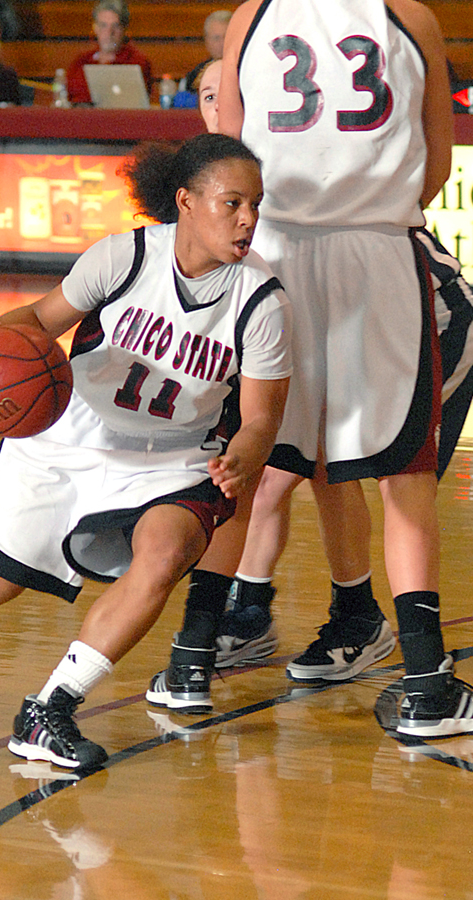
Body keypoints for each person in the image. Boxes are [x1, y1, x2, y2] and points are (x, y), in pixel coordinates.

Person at [0, 133, 293, 768]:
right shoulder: (124, 258)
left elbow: (259, 420)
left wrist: (247, 453)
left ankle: (49, 709)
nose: (249, 218)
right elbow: (42, 318)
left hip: (171, 458)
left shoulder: (262, 303)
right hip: (67, 435)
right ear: (186, 202)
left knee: (166, 551)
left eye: (256, 204)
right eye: (233, 203)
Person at [153, 0, 473, 740]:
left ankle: (192, 660)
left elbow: (224, 153)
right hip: (379, 255)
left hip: (279, 254)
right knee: (404, 472)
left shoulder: (250, 18)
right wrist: (373, 212)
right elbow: (436, 169)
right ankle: (426, 683)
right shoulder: (411, 18)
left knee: (245, 461)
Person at [65, 0, 153, 106]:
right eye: (103, 25)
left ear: (124, 29)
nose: (109, 32)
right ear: (95, 28)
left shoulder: (137, 62)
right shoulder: (81, 62)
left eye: (115, 26)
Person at [178, 10, 231, 94]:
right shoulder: (194, 76)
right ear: (206, 40)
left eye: (226, 36)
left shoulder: (246, 71)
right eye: (216, 38)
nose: (222, 43)